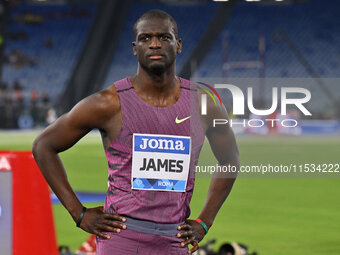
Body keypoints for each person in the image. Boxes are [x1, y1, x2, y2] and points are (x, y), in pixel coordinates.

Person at [32, 9, 239, 255]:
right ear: (134, 47)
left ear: (179, 44)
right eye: (145, 38)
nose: (154, 44)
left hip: (175, 241)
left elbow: (230, 159)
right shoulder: (108, 103)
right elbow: (43, 146)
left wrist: (205, 221)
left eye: (164, 37)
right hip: (122, 239)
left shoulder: (204, 105)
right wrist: (79, 213)